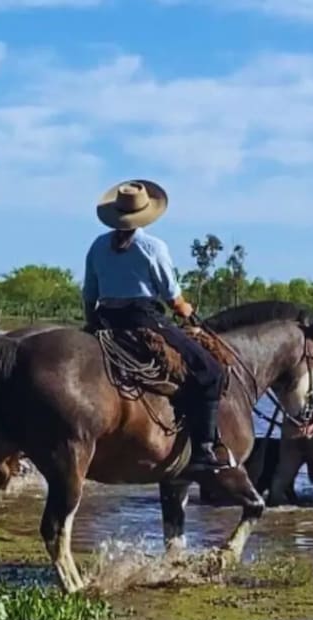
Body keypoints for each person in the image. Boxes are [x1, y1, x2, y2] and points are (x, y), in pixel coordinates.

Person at [83, 179, 230, 474]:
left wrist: (92, 322)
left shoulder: (98, 245)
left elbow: (90, 294)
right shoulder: (152, 246)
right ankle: (202, 451)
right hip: (143, 322)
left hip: (104, 321)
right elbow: (171, 296)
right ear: (146, 213)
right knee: (211, 371)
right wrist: (185, 310)